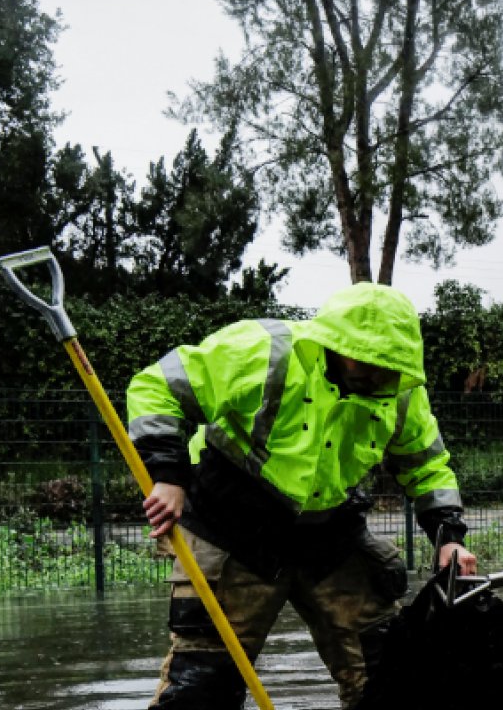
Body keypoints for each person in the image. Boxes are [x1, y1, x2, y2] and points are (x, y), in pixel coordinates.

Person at [126, 282, 477, 709]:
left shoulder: (401, 389)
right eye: (365, 360)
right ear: (335, 343)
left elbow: (426, 466)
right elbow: (155, 387)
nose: (377, 375)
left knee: (391, 675)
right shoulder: (262, 351)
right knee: (203, 687)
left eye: (387, 365)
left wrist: (449, 536)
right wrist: (167, 476)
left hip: (328, 535)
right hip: (233, 530)